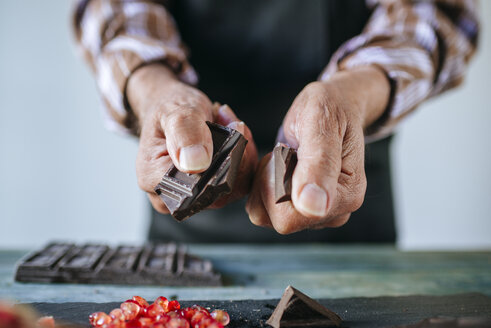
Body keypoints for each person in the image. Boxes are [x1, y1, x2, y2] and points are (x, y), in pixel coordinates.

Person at [73, 0, 479, 243]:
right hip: (187, 231)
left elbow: (437, 13)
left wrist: (353, 94)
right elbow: (112, 8)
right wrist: (155, 91)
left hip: (348, 208)